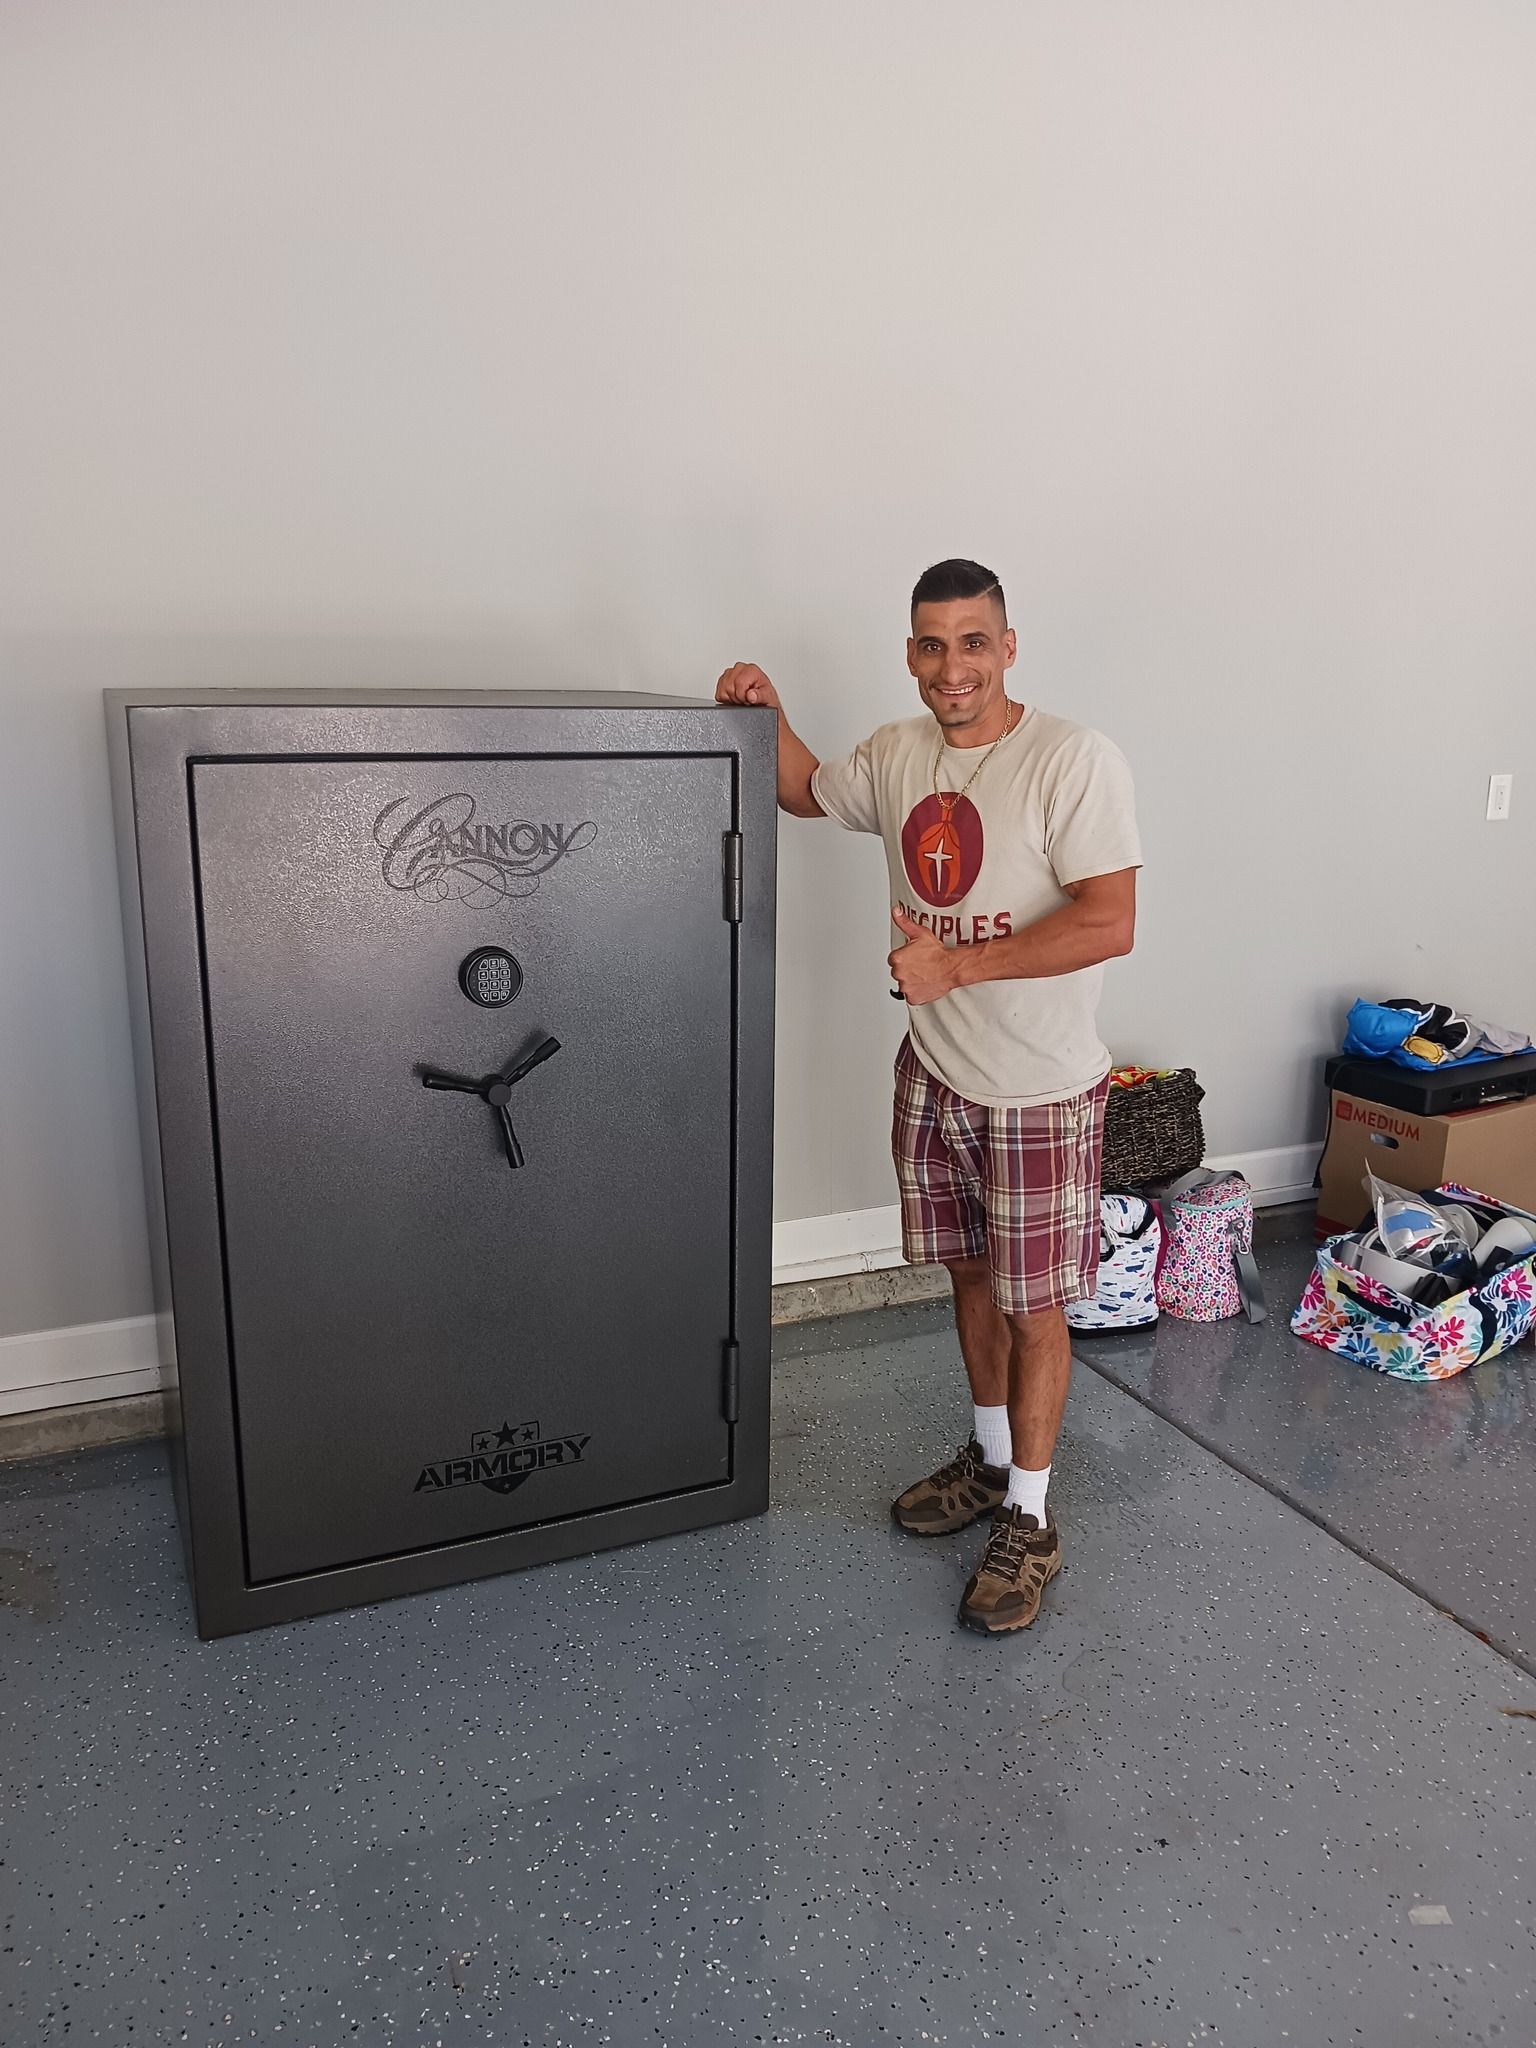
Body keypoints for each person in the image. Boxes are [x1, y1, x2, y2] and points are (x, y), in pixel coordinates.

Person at [716, 558, 1141, 1635]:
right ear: (911, 652)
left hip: (1040, 1091)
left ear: (1008, 645)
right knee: (967, 1276)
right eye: (931, 643)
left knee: (1033, 1305)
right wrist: (769, 715)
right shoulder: (899, 755)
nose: (954, 666)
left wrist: (957, 968)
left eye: (974, 641)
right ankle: (993, 1461)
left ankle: (1032, 1520)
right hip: (936, 1076)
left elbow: (1107, 920)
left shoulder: (1072, 759)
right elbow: (810, 789)